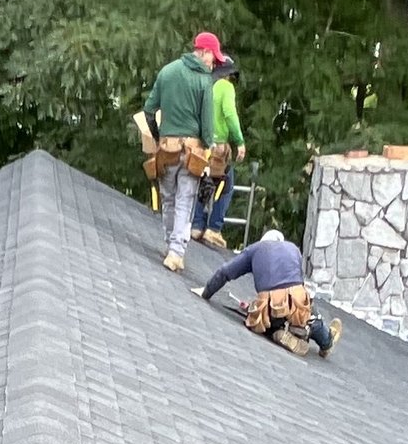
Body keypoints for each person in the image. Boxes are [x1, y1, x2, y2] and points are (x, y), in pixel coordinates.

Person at [194, 224, 341, 358]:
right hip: (295, 302)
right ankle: (324, 342)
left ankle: (277, 331)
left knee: (262, 317)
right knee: (310, 313)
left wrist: (206, 292)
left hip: (270, 306)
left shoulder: (254, 249)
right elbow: (298, 284)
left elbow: (224, 272)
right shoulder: (293, 249)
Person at [142, 29, 224, 269]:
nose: (213, 64)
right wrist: (208, 148)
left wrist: (158, 137)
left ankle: (170, 244)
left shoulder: (167, 71)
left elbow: (149, 110)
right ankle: (176, 253)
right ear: (204, 52)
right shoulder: (204, 81)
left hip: (166, 148)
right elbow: (207, 125)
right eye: (213, 58)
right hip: (192, 152)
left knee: (168, 199)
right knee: (184, 200)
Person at [202, 56, 244, 237]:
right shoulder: (226, 87)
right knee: (226, 186)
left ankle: (196, 226)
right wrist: (239, 141)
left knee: (202, 181)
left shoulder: (206, 84)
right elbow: (230, 114)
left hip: (203, 143)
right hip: (219, 146)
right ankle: (214, 228)